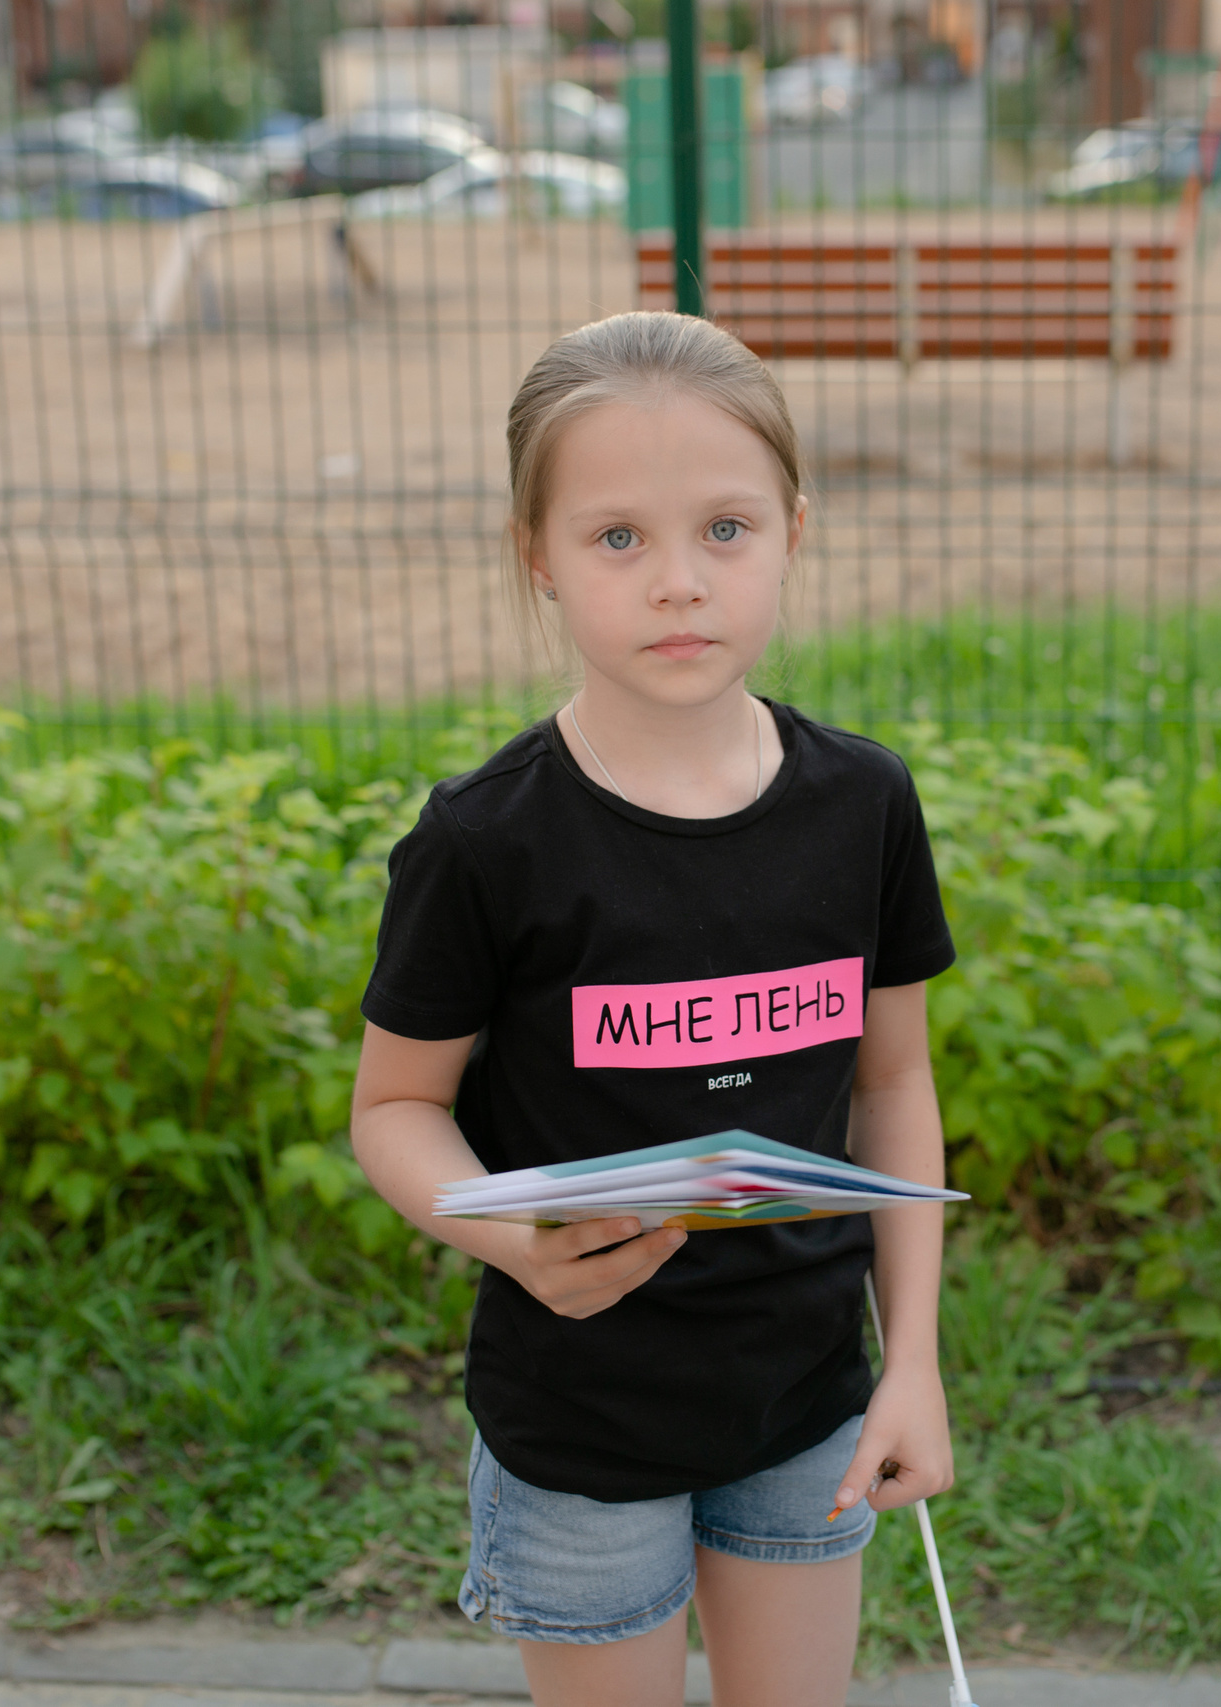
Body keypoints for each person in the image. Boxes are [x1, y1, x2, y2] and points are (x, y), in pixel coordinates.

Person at [348, 311, 958, 1707]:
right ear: (538, 556)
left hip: (808, 1406)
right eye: (618, 537)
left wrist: (913, 1364)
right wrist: (511, 1238)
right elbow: (395, 1110)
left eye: (725, 529)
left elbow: (892, 1086)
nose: (679, 582)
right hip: (579, 1431)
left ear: (793, 530)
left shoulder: (862, 805)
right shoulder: (485, 843)